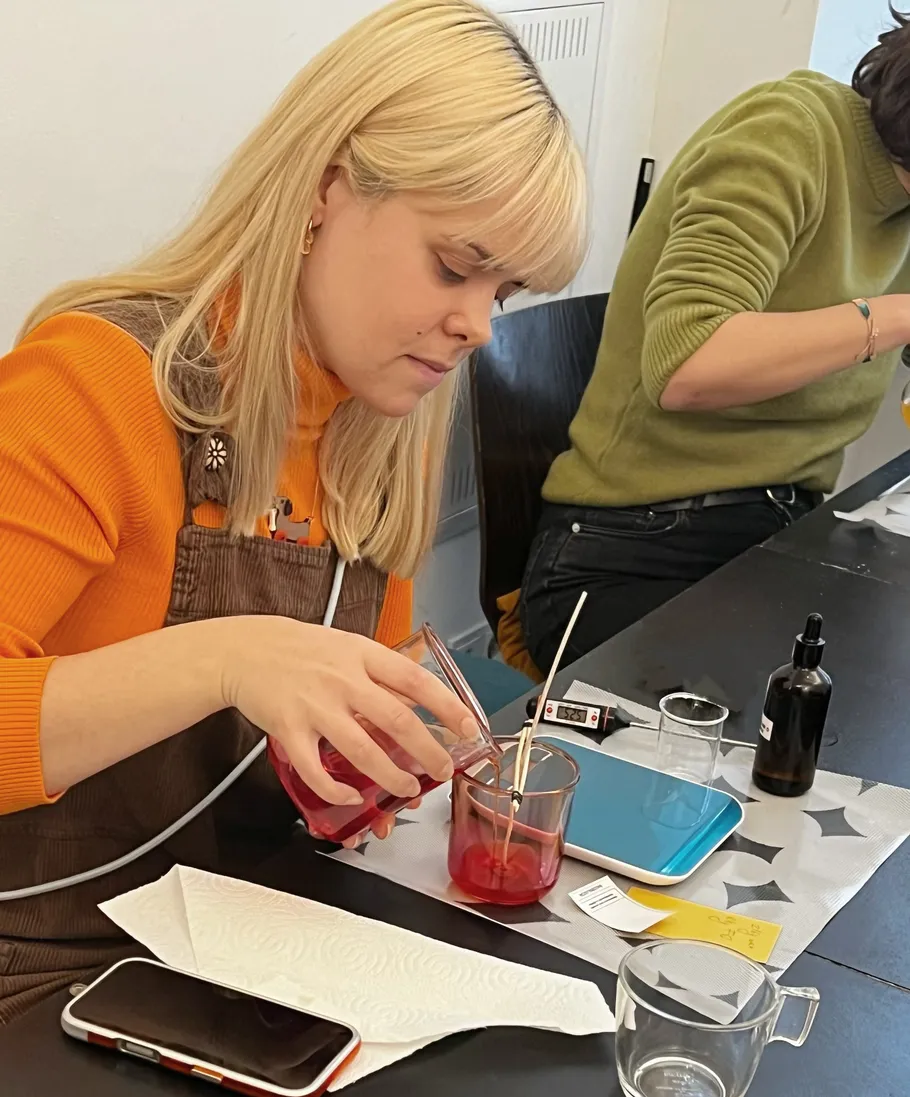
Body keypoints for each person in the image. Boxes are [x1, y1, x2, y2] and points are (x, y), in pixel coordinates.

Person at [0, 0, 586, 1022]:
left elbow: (329, 761)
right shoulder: (95, 384)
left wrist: (364, 770)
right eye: (455, 265)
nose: (479, 326)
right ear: (325, 187)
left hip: (242, 946)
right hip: (42, 974)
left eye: (508, 291)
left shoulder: (378, 435)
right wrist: (231, 657)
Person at [521, 5, 910, 674]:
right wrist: (897, 315)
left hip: (780, 539)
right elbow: (689, 362)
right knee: (807, 724)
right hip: (630, 549)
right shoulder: (793, 132)